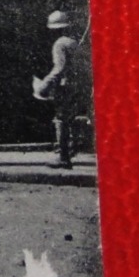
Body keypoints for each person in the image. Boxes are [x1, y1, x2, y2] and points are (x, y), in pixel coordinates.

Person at [34, 10, 90, 169]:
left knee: (61, 120)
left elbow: (59, 68)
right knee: (71, 119)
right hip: (78, 86)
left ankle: (64, 157)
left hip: (65, 87)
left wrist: (44, 86)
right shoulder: (74, 42)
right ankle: (71, 149)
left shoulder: (59, 44)